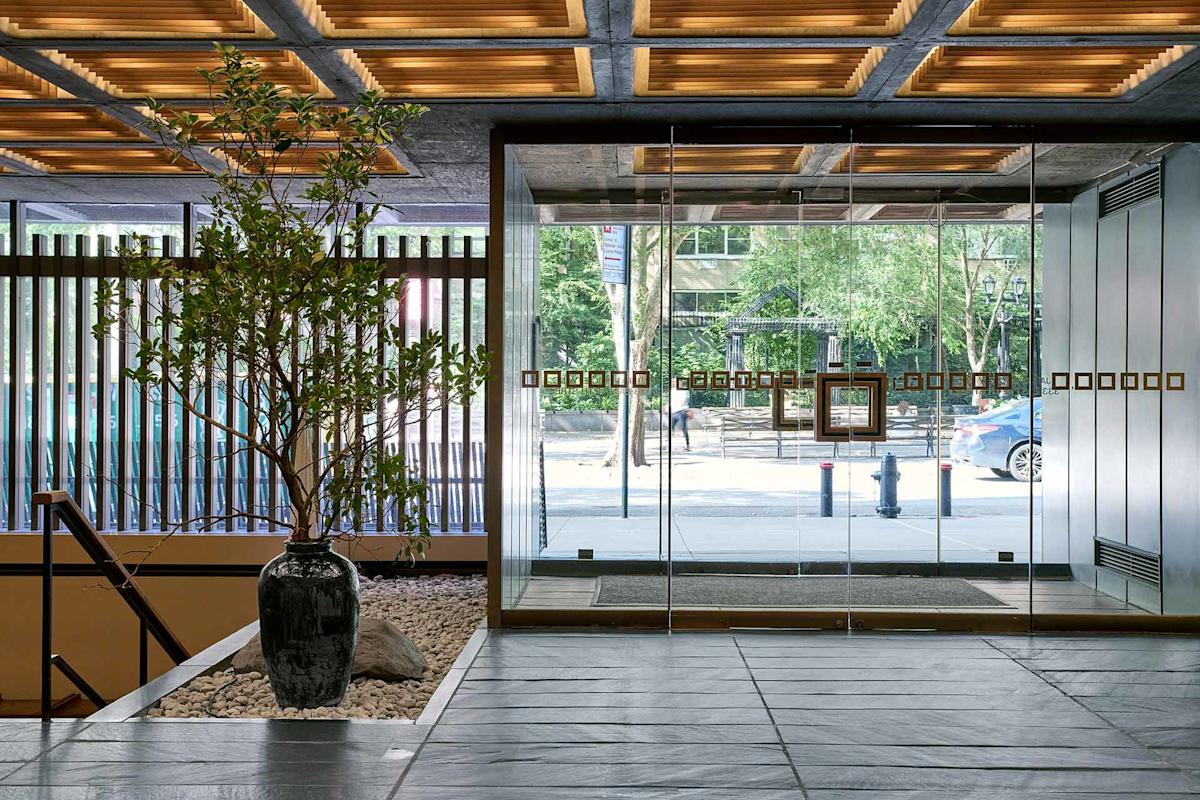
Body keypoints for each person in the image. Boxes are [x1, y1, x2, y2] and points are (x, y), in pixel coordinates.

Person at [668, 384, 691, 451]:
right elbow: (671, 400)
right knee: (671, 428)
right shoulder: (672, 390)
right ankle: (669, 444)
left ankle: (688, 445)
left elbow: (684, 401)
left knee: (684, 428)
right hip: (674, 411)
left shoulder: (685, 390)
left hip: (682, 411)